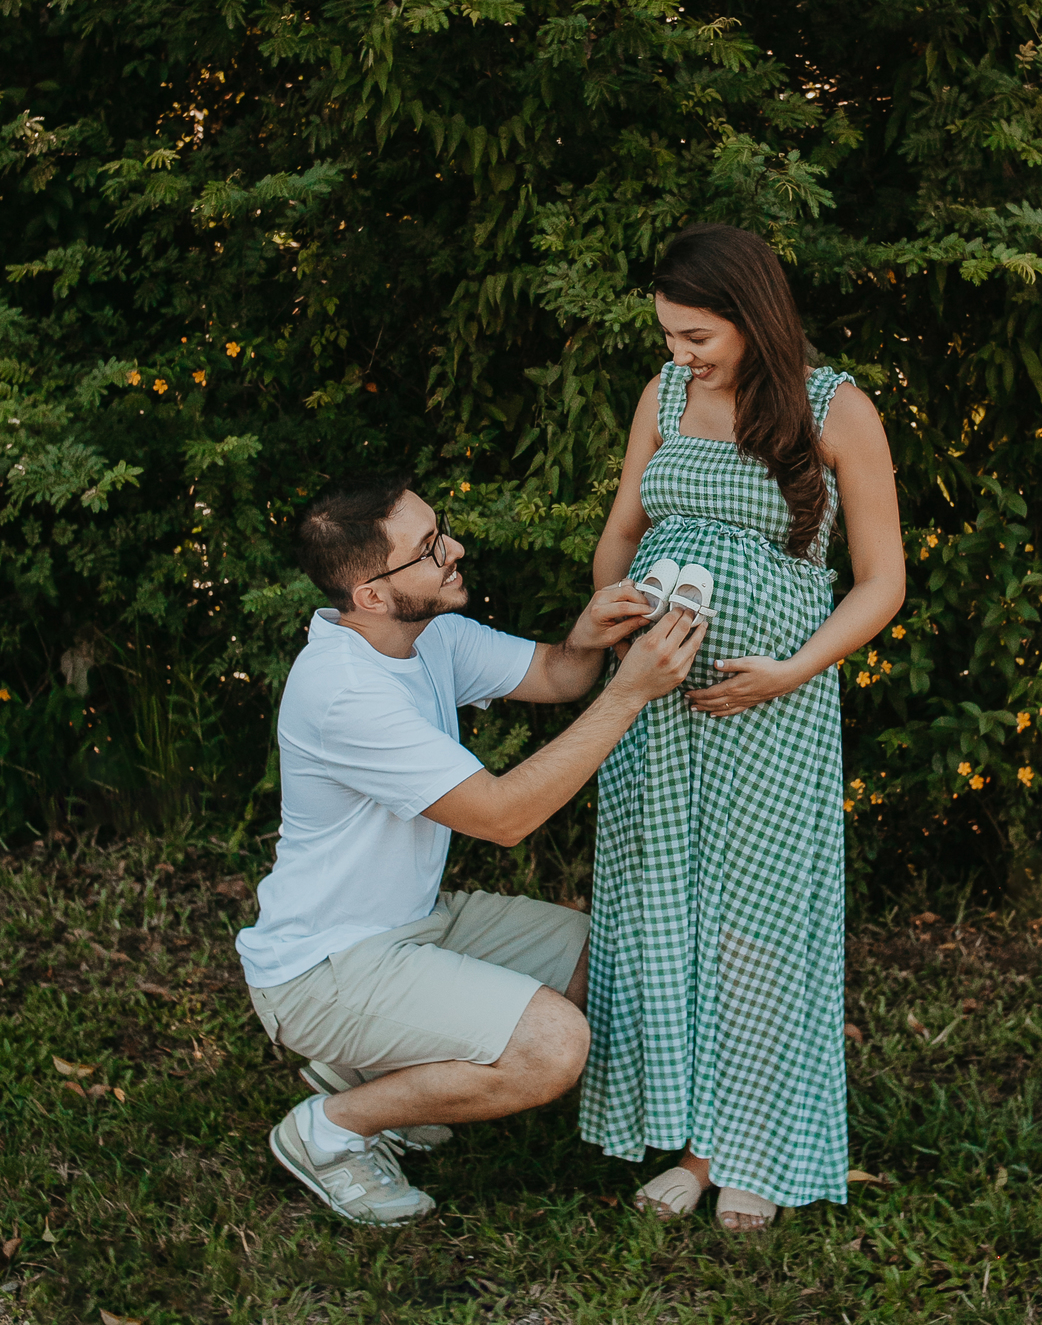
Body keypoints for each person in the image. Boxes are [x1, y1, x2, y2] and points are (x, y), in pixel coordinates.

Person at [236, 473, 705, 1227]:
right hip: (323, 969)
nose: (454, 550)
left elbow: (556, 674)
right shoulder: (345, 691)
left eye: (440, 530)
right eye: (427, 550)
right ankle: (330, 1130)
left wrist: (586, 637)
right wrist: (630, 695)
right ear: (372, 596)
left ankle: (376, 1059)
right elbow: (502, 816)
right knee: (553, 1047)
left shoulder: (430, 635)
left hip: (415, 927)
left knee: (620, 952)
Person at [580, 223, 905, 1229]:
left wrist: (790, 671)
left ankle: (758, 1147)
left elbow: (882, 582)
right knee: (668, 913)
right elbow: (618, 541)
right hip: (657, 715)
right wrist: (620, 611)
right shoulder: (663, 398)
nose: (681, 354)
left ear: (751, 315)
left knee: (756, 927)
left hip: (770, 708)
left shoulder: (836, 406)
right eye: (671, 336)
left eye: (695, 335)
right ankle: (698, 1142)